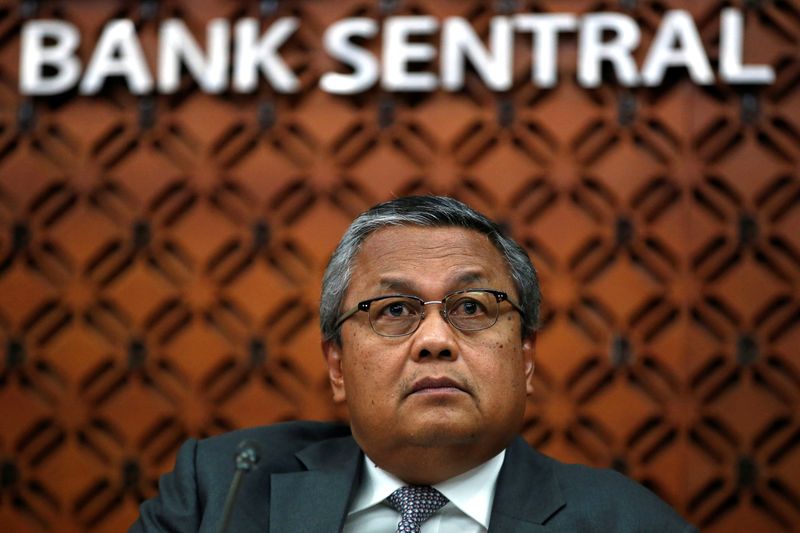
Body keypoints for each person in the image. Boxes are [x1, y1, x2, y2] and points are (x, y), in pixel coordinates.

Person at [130, 196, 697, 532]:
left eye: (473, 307)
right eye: (394, 309)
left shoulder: (627, 523)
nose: (434, 340)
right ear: (337, 366)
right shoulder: (223, 490)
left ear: (524, 359)